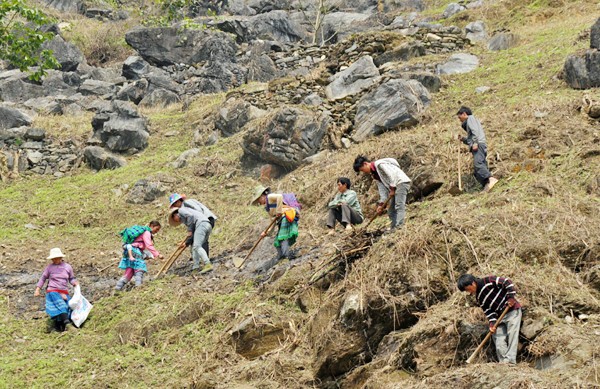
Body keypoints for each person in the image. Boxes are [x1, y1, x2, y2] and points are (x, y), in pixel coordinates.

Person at [457, 274, 522, 364]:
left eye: (468, 289)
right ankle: (504, 363)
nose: (469, 292)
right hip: (499, 318)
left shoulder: (488, 281)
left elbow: (507, 282)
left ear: (473, 283)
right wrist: (492, 324)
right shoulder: (479, 298)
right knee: (498, 340)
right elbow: (488, 312)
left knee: (512, 335)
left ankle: (510, 361)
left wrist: (510, 297)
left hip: (511, 311)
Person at [353, 156, 411, 230]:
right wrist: (381, 205)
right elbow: (382, 190)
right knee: (391, 211)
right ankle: (394, 228)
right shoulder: (375, 174)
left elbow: (391, 175)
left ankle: (399, 227)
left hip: (401, 183)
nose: (363, 172)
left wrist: (392, 189)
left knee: (399, 205)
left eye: (362, 170)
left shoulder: (379, 165)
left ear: (365, 164)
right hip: (394, 186)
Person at [34, 248, 79, 332]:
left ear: (60, 257)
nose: (54, 260)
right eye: (53, 259)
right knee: (61, 305)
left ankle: (60, 327)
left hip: (64, 291)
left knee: (68, 307)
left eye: (56, 258)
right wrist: (37, 289)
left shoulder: (67, 267)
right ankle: (67, 325)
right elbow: (43, 278)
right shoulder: (49, 268)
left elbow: (71, 278)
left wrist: (75, 283)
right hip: (53, 291)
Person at [251, 186, 299, 262]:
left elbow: (279, 197)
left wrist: (279, 211)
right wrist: (266, 233)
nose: (259, 203)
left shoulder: (269, 197)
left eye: (258, 200)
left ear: (262, 196)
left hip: (286, 216)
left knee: (283, 237)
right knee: (278, 240)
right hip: (281, 220)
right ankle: (281, 255)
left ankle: (287, 254)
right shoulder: (268, 208)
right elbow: (272, 222)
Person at [456, 106, 499, 192]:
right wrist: (463, 139)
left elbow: (475, 131)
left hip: (478, 145)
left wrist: (475, 143)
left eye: (460, 117)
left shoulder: (470, 119)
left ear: (464, 114)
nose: (460, 120)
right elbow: (470, 140)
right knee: (478, 168)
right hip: (479, 145)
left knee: (478, 164)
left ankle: (491, 179)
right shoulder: (470, 122)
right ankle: (487, 184)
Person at [115, 221, 163, 290]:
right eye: (157, 229)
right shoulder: (146, 232)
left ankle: (117, 288)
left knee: (129, 271)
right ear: (152, 226)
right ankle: (138, 287)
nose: (157, 231)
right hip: (135, 251)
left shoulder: (141, 232)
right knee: (139, 269)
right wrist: (158, 254)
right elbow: (149, 245)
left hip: (129, 251)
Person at [169, 206, 213, 274]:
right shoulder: (188, 218)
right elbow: (193, 234)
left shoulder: (181, 211)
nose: (176, 221)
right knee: (194, 247)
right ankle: (196, 267)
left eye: (174, 219)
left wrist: (189, 230)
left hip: (202, 224)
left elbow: (191, 217)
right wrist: (186, 243)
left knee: (197, 246)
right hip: (207, 225)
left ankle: (208, 264)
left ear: (175, 215)